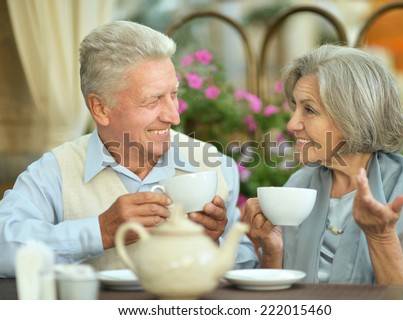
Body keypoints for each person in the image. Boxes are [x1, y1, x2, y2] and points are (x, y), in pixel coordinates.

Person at [0, 20, 258, 275]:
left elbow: (247, 266)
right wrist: (100, 231)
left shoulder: (217, 167)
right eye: (153, 100)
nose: (174, 116)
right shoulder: (54, 172)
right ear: (100, 108)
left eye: (174, 94)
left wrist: (214, 244)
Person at [244, 44, 403, 292]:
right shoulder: (299, 185)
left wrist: (381, 238)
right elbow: (277, 305)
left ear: (352, 116)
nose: (292, 123)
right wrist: (271, 250)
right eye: (295, 108)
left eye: (309, 109)